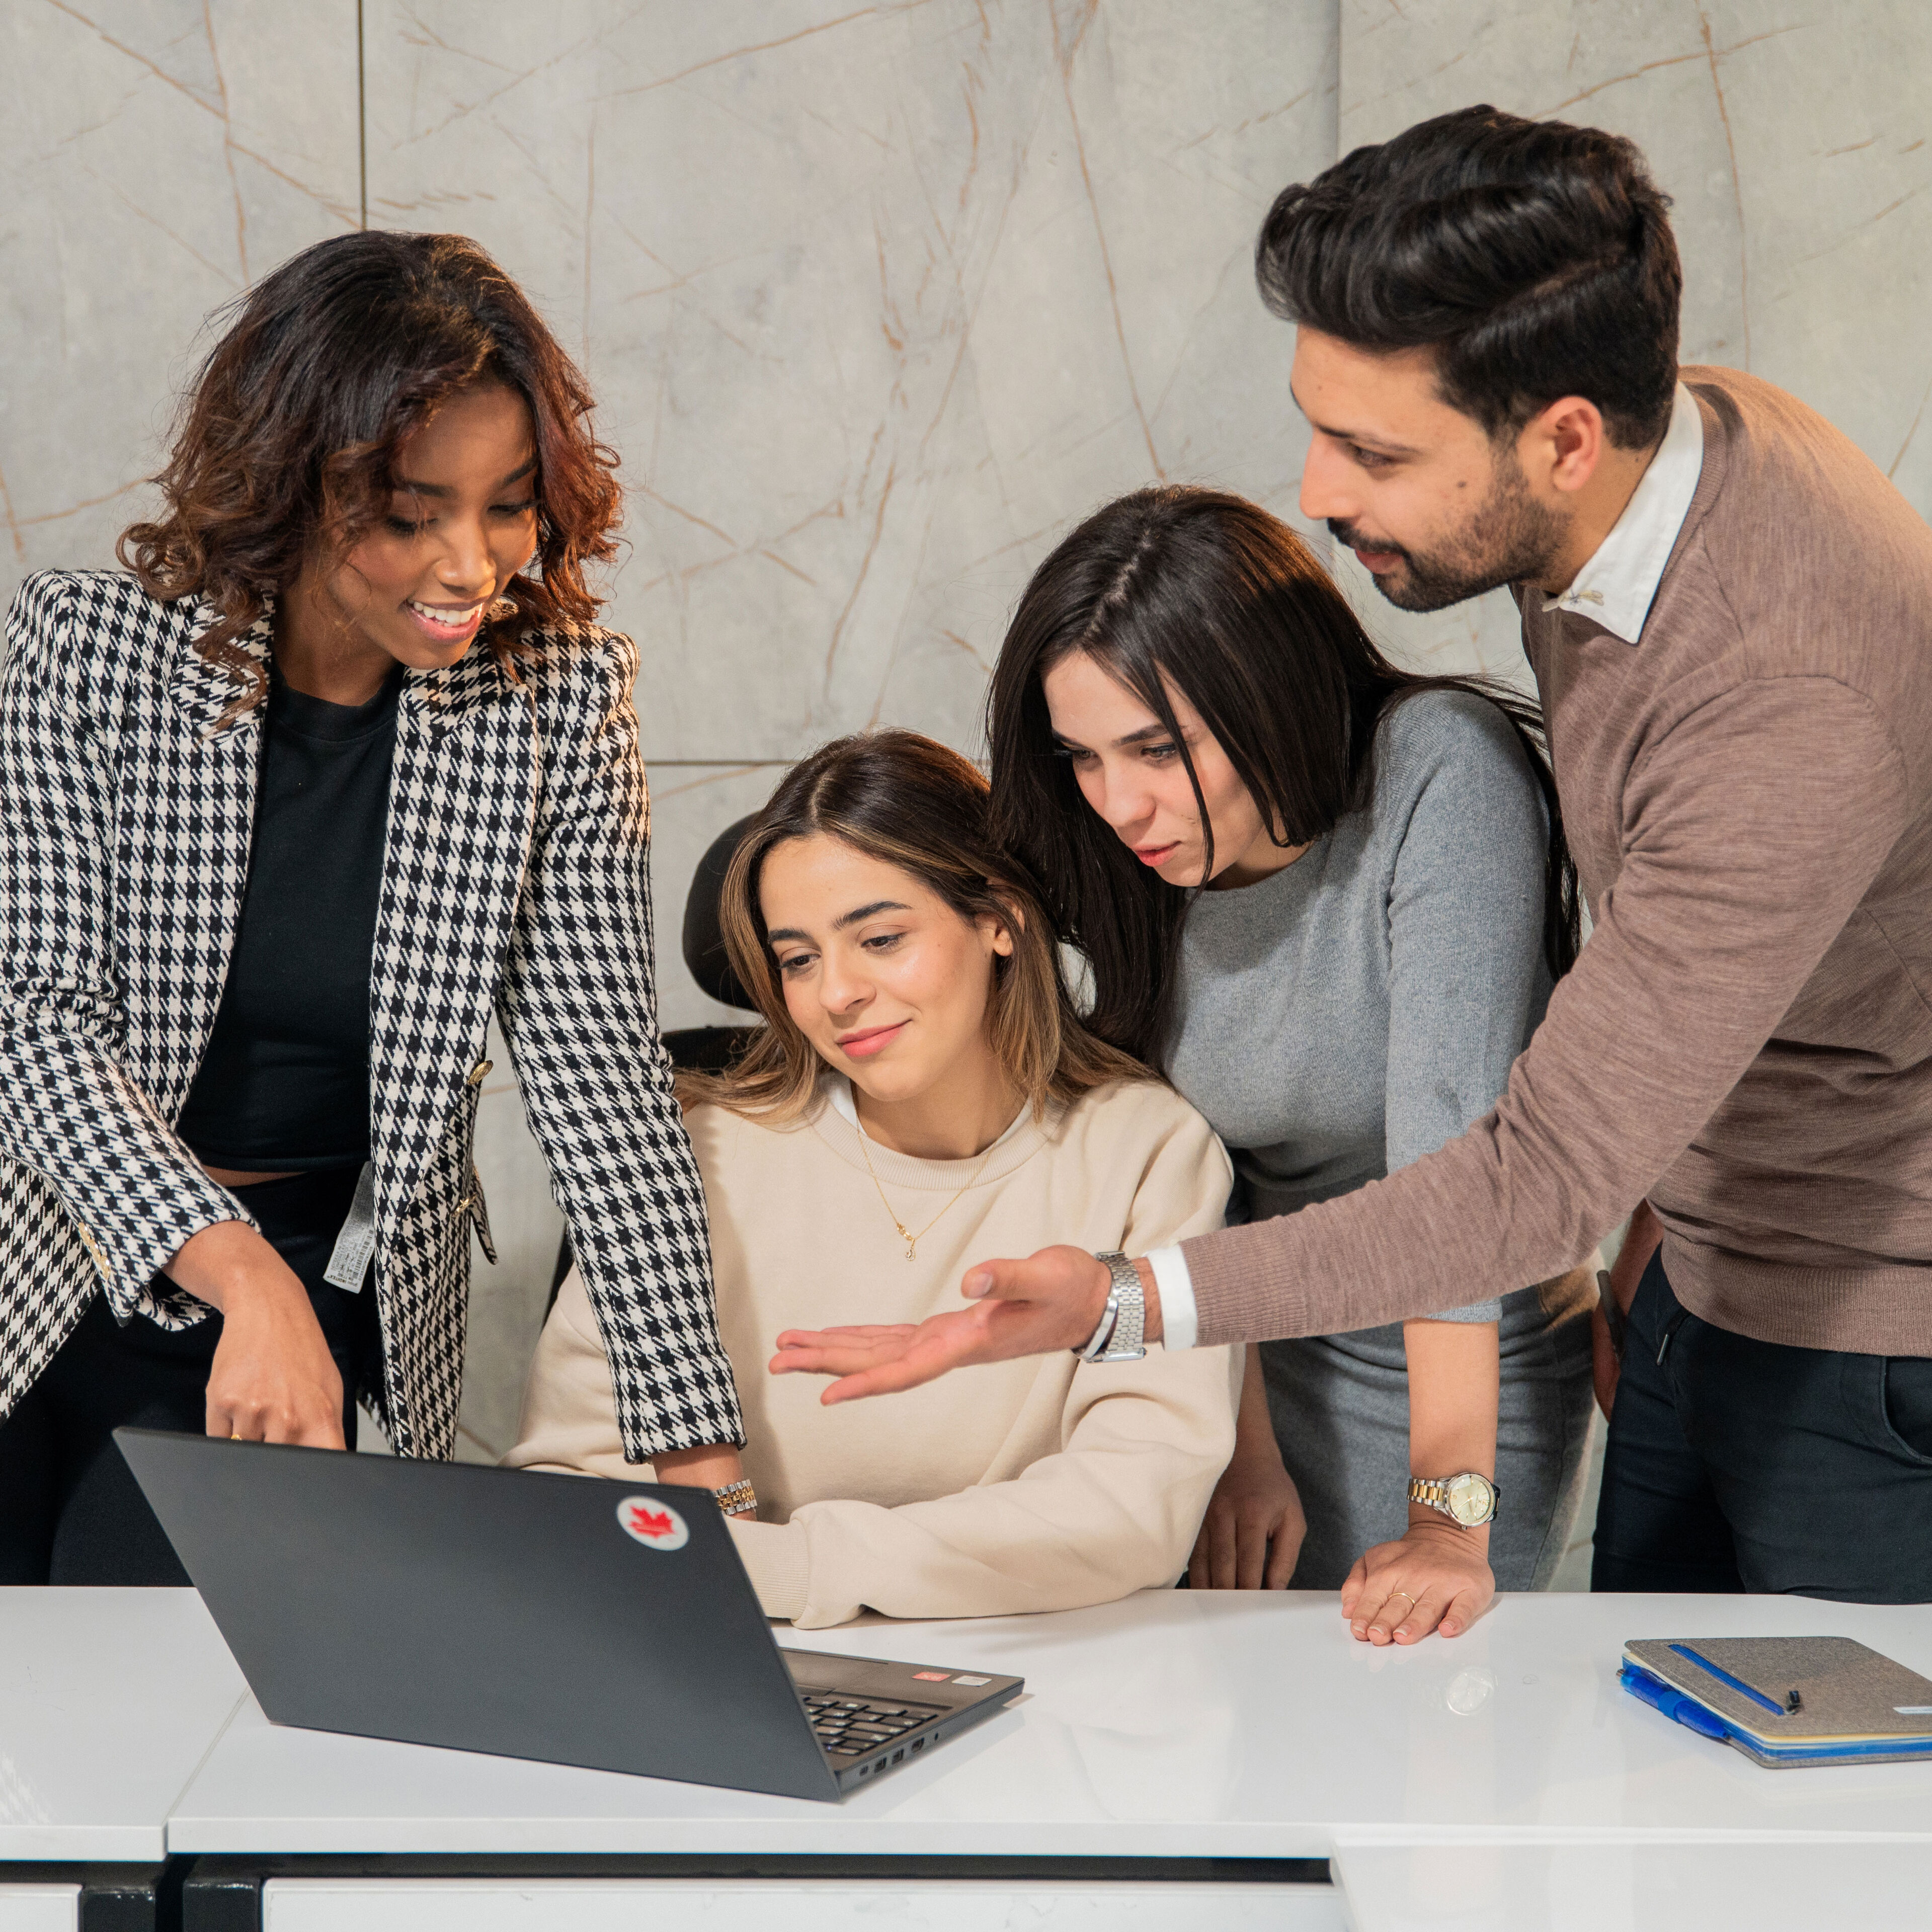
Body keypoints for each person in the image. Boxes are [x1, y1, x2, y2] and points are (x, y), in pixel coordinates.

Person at [770, 107, 1932, 1605]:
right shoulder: (1643, 470)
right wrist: (1673, 1222)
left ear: (1564, 436)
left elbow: (1520, 1180)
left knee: (1837, 1827)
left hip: (1871, 1333)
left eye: (1373, 450)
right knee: (1653, 1760)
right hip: (1701, 1287)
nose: (1315, 492)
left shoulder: (1776, 700)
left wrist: (1125, 1303)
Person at [0, 231, 743, 1586]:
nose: (471, 566)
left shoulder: (557, 705)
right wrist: (239, 1275)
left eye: (508, 505)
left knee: (183, 1694)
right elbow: (39, 1028)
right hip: (46, 1238)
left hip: (313, 1287)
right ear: (294, 484)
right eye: (410, 514)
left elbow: (598, 1081)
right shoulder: (88, 649)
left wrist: (697, 1453)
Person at [981, 485, 1597, 1643]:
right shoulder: (1125, 856)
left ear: (1267, 695)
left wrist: (1448, 1521)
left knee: (1408, 1719)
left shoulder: (1437, 774)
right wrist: (1227, 1441)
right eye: (1083, 758)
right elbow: (1187, 1179)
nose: (1119, 802)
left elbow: (1455, 1175)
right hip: (1236, 1343)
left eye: (1157, 749)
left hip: (1454, 1365)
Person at [508, 730, 1242, 1629]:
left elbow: (1132, 1507)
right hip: (733, 1660)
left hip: (1045, 1675)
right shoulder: (691, 1157)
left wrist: (792, 1571)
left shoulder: (1146, 1151)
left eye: (881, 939)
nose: (837, 994)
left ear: (999, 920)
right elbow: (570, 1481)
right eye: (799, 959)